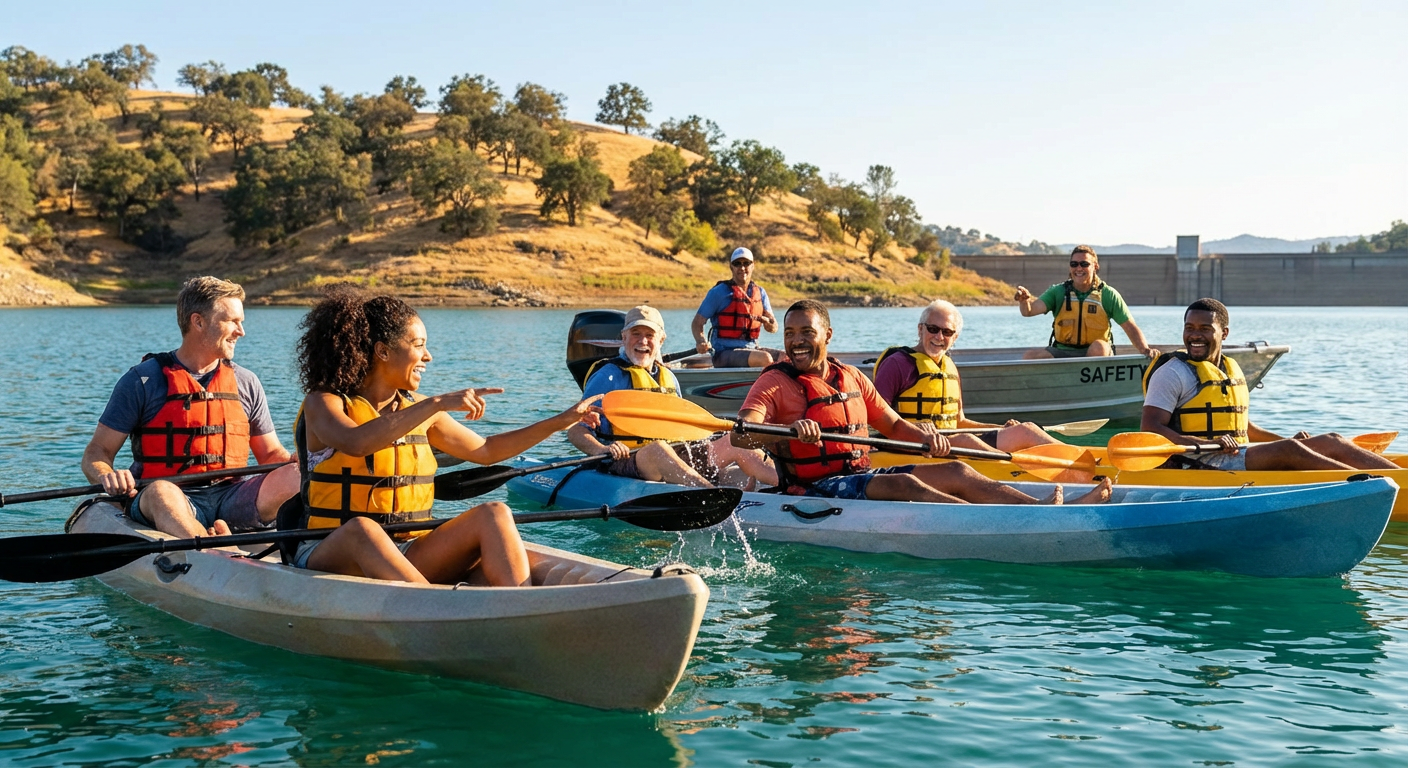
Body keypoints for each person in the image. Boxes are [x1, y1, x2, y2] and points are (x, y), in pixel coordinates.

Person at [289, 287, 606, 586]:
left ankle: (520, 608)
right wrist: (437, 403)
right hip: (331, 551)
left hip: (409, 548)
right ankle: (434, 610)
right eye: (418, 345)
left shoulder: (420, 411)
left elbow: (487, 450)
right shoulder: (325, 402)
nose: (427, 356)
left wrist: (559, 421)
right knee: (363, 530)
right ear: (382, 351)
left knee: (494, 513)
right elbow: (356, 442)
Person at [735, 300, 1112, 504]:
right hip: (812, 489)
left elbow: (895, 427)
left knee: (957, 472)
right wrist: (783, 432)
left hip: (857, 477)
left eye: (806, 332)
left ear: (827, 335)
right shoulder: (773, 382)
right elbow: (742, 434)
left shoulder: (850, 377)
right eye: (790, 333)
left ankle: (1037, 511)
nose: (797, 340)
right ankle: (996, 523)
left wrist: (926, 438)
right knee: (905, 485)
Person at [81, 276, 300, 538]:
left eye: (241, 321)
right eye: (232, 321)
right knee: (162, 492)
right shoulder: (142, 381)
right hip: (171, 494)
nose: (241, 331)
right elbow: (96, 452)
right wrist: (107, 475)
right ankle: (213, 549)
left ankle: (316, 550)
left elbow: (270, 454)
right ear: (198, 321)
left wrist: (293, 462)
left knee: (297, 475)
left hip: (231, 496)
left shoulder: (246, 382)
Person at [1141, 298, 1399, 472]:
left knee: (1332, 440)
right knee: (1290, 450)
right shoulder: (1172, 373)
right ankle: (1374, 486)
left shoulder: (1230, 368)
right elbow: (1151, 428)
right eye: (1189, 328)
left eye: (1205, 328)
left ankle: (1399, 478)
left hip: (1235, 454)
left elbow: (1246, 429)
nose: (1195, 335)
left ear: (1224, 333)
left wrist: (1286, 440)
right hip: (1197, 461)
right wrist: (1208, 442)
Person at [570, 305, 776, 488]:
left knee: (733, 441)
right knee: (658, 449)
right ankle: (710, 495)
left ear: (661, 340)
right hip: (627, 460)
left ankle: (791, 486)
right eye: (636, 333)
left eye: (649, 335)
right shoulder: (608, 376)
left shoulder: (668, 377)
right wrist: (601, 449)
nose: (642, 341)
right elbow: (577, 430)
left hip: (676, 456)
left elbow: (681, 428)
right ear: (623, 338)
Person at [874, 300, 1063, 453]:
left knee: (1025, 430)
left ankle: (1082, 458)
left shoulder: (950, 368)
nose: (939, 336)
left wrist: (999, 428)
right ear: (920, 329)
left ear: (954, 338)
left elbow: (959, 422)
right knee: (965, 440)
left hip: (952, 441)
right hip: (914, 445)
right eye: (933, 328)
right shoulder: (896, 364)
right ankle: (1010, 464)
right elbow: (875, 419)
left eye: (947, 332)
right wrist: (915, 430)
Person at [1013, 245, 1155, 359]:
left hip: (1097, 353)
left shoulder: (1108, 294)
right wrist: (1024, 301)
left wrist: (1145, 349)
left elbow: (1130, 326)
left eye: (1084, 264)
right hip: (1063, 351)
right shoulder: (1058, 291)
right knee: (1030, 356)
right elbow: (1029, 311)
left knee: (1099, 347)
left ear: (1095, 267)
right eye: (1074, 264)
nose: (1078, 268)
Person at [691, 247, 786, 367]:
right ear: (731, 267)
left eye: (746, 263)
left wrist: (768, 324)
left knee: (786, 357)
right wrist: (701, 341)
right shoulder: (718, 292)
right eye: (737, 264)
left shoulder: (760, 293)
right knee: (765, 358)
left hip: (752, 349)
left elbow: (774, 327)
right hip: (723, 353)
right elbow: (697, 323)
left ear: (753, 266)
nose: (742, 268)